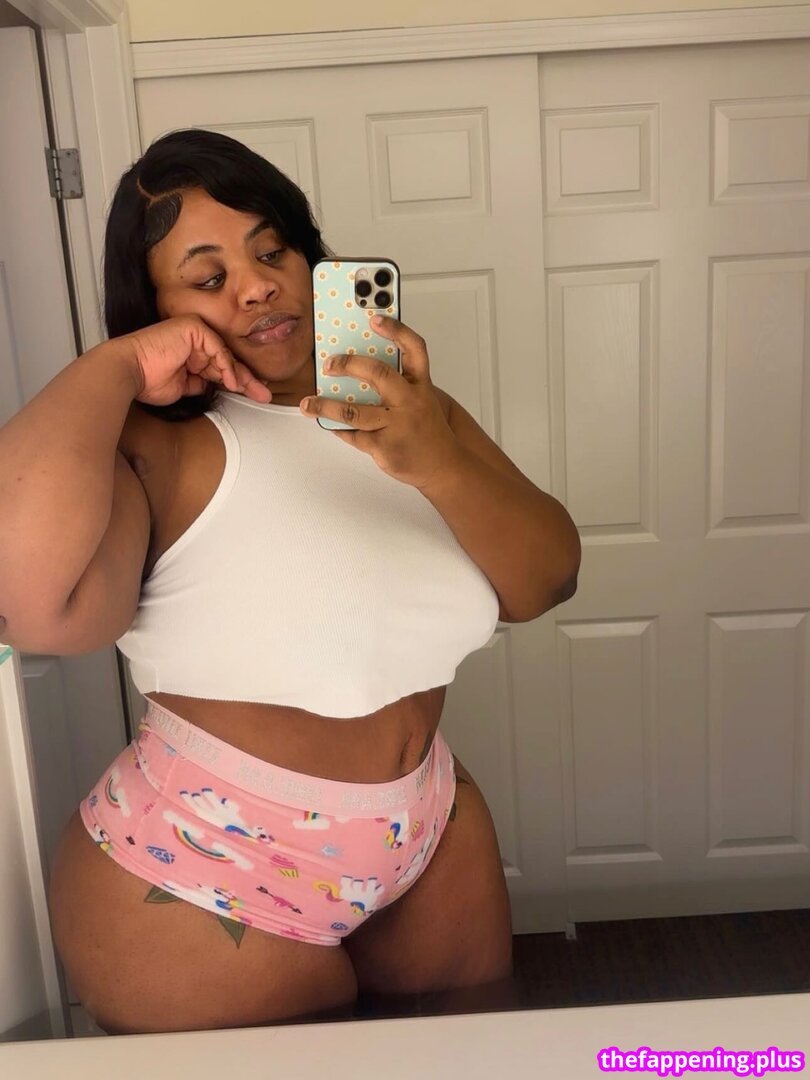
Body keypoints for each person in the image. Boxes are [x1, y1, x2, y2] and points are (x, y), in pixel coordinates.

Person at [0, 129, 580, 1034]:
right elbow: (29, 605)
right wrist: (111, 368)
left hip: (426, 826)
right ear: (155, 310)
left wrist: (436, 458)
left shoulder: (405, 411)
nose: (257, 285)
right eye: (208, 276)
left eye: (273, 252)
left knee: (470, 1057)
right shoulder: (151, 447)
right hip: (202, 869)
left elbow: (545, 581)